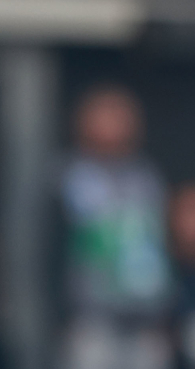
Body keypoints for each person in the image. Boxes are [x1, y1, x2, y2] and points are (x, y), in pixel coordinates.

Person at [59, 84, 174, 369]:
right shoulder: (69, 176)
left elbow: (161, 243)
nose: (118, 125)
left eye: (124, 116)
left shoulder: (148, 176)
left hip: (147, 318)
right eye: (108, 115)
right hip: (90, 318)